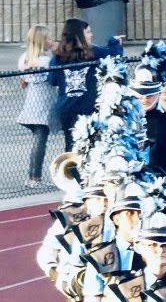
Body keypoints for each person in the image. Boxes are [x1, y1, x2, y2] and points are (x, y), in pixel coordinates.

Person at [50, 19, 124, 150]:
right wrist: (114, 42)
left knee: (71, 144)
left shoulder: (57, 57)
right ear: (79, 35)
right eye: (88, 32)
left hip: (66, 108)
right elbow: (114, 55)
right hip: (87, 108)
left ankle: (73, 169)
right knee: (90, 145)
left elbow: (53, 80)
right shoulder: (93, 53)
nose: (91, 35)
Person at [17, 24, 56, 188]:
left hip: (32, 103)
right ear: (41, 41)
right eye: (48, 38)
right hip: (42, 105)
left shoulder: (24, 58)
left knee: (39, 140)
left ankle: (34, 176)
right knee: (40, 140)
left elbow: (25, 81)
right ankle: (34, 177)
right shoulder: (46, 61)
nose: (52, 41)